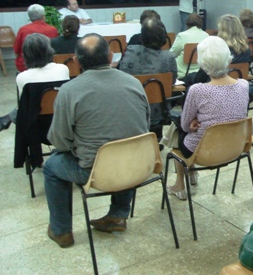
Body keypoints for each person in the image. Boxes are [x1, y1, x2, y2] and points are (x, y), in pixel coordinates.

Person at [43, 34, 150, 248]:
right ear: (111, 56)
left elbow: (59, 141)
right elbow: (145, 125)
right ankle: (118, 215)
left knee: (51, 166)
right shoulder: (134, 83)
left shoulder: (69, 91)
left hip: (96, 172)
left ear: (76, 61)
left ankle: (61, 230)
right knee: (124, 145)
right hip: (138, 165)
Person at [166, 36, 249, 199]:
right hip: (235, 147)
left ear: (202, 63)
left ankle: (180, 184)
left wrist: (192, 122)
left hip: (203, 152)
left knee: (176, 131)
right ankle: (190, 173)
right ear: (229, 59)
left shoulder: (197, 90)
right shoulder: (244, 85)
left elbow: (184, 126)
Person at [118, 18, 177, 135]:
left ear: (142, 36)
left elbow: (120, 74)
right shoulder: (168, 58)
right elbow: (172, 81)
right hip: (158, 112)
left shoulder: (130, 51)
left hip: (130, 108)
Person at [0, 34, 70, 131]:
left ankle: (9, 118)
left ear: (26, 54)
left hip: (35, 125)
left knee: (24, 105)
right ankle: (8, 118)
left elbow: (25, 106)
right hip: (61, 121)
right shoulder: (63, 69)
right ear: (49, 51)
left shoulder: (22, 77)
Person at [14, 4, 59, 72]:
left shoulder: (23, 30)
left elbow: (16, 51)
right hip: (48, 65)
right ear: (43, 16)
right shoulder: (52, 29)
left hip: (26, 66)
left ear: (30, 17)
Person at [169, 13, 209, 79]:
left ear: (187, 24)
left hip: (183, 74)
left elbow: (171, 54)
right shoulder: (206, 36)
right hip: (201, 74)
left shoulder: (182, 36)